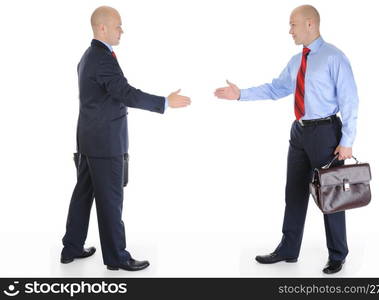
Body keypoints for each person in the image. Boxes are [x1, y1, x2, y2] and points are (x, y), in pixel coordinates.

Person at [214, 5, 359, 274]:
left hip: (327, 133)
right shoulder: (296, 61)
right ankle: (288, 249)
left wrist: (347, 140)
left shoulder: (333, 57)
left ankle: (338, 254)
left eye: (293, 24)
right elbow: (276, 88)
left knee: (331, 195)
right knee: (293, 192)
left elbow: (350, 100)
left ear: (310, 24)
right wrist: (240, 94)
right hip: (300, 132)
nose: (289, 30)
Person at [61, 6, 191, 271]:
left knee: (82, 195)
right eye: (118, 26)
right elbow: (125, 93)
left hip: (88, 140)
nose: (122, 31)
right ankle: (117, 258)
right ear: (102, 28)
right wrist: (164, 102)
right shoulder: (102, 58)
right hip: (105, 143)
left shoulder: (88, 56)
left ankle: (71, 248)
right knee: (110, 200)